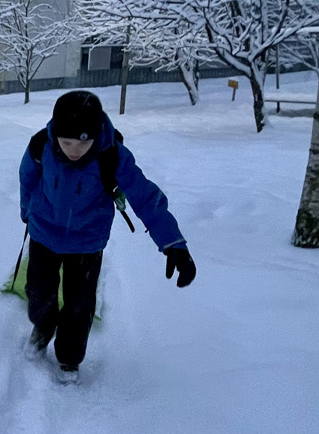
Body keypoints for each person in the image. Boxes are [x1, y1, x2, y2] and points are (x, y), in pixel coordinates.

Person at [19, 89, 195, 384]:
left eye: (83, 141)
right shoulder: (41, 147)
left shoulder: (111, 155)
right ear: (55, 135)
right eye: (67, 142)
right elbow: (28, 179)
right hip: (44, 234)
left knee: (80, 304)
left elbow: (144, 195)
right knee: (40, 294)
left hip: (87, 241)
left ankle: (69, 359)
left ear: (96, 133)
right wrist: (28, 212)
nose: (75, 149)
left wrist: (173, 242)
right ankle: (43, 327)